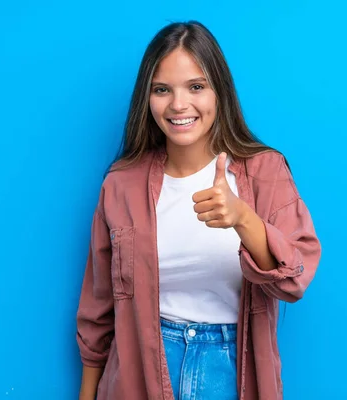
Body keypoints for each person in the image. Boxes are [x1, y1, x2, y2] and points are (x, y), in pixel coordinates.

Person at [76, 20, 321, 400]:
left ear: (218, 91)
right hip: (139, 372)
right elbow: (98, 310)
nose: (178, 104)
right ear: (148, 97)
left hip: (229, 369)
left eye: (196, 86)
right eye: (162, 90)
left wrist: (243, 218)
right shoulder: (120, 184)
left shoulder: (264, 172)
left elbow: (294, 280)